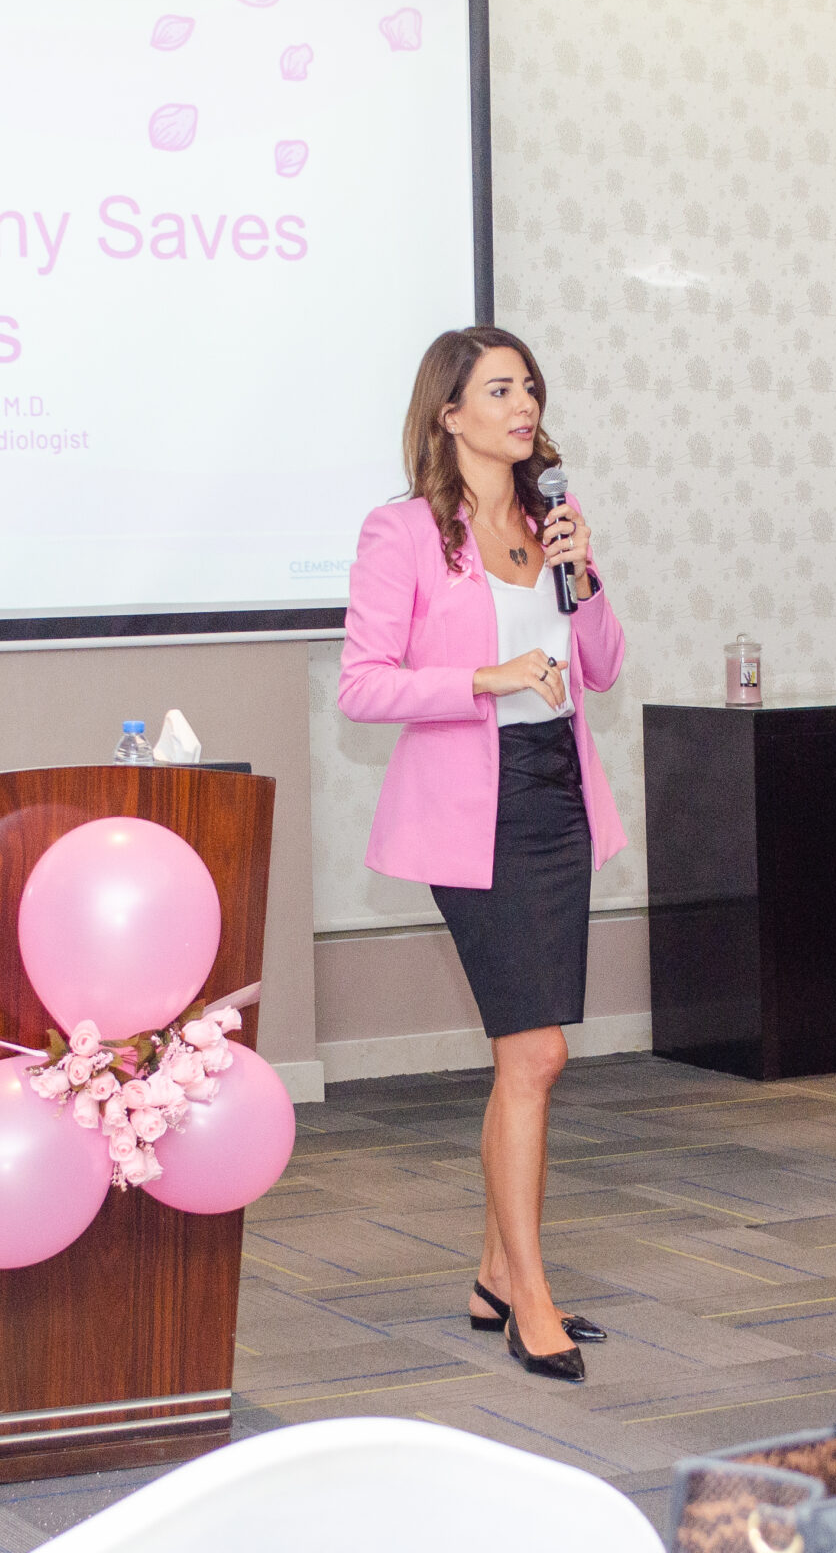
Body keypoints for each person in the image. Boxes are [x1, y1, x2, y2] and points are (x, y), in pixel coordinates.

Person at [338, 326, 628, 1384]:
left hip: (557, 795)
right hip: (475, 807)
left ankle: (497, 1273)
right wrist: (485, 678)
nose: (523, 404)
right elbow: (362, 683)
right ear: (449, 412)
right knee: (535, 1054)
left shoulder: (551, 520)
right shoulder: (405, 531)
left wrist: (583, 574)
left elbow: (602, 665)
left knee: (529, 1056)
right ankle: (531, 1301)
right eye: (499, 389)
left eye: (529, 386)